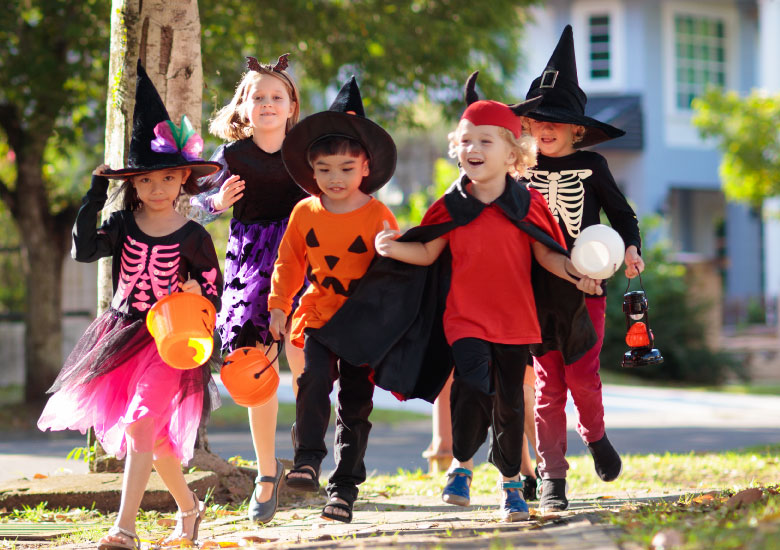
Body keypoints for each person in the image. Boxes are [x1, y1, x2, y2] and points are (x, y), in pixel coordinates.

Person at [331, 72, 601, 522]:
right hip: (465, 318)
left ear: (513, 154)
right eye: (465, 140)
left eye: (485, 142)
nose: (472, 149)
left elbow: (549, 255)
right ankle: (461, 464)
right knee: (473, 385)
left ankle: (511, 484)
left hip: (517, 320)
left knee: (511, 403)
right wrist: (394, 248)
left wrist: (576, 273)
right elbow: (428, 250)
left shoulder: (528, 205)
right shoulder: (452, 204)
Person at [37, 63, 222, 550]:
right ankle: (189, 508)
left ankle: (124, 529)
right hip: (119, 335)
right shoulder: (121, 223)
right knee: (154, 442)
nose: (156, 188)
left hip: (168, 342)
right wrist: (94, 196)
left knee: (142, 424)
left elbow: (210, 287)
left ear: (183, 178)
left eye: (166, 178)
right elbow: (82, 249)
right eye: (145, 180)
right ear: (133, 185)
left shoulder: (194, 236)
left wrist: (196, 295)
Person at [521, 25, 644, 512]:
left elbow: (623, 215)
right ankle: (553, 477)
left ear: (578, 128)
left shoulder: (593, 166)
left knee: (583, 379)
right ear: (527, 126)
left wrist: (631, 248)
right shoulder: (519, 170)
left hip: (586, 285)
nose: (546, 128)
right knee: (548, 387)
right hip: (532, 290)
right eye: (537, 120)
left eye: (558, 120)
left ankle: (595, 435)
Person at [268, 76, 398, 524]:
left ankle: (344, 489)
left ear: (365, 168)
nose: (335, 178)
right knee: (312, 383)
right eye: (324, 170)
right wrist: (279, 305)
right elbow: (288, 262)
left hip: (362, 325)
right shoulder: (305, 212)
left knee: (356, 404)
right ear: (312, 172)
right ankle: (306, 460)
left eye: (346, 168)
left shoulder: (378, 214)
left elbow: (393, 274)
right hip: (320, 316)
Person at [189, 54, 307, 524]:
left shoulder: (305, 153)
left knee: (304, 352)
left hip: (302, 259)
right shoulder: (232, 156)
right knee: (254, 365)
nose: (267, 104)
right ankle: (264, 473)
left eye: (277, 96)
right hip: (251, 266)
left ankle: (308, 440)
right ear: (243, 106)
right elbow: (196, 206)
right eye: (257, 96)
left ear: (292, 106)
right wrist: (215, 201)